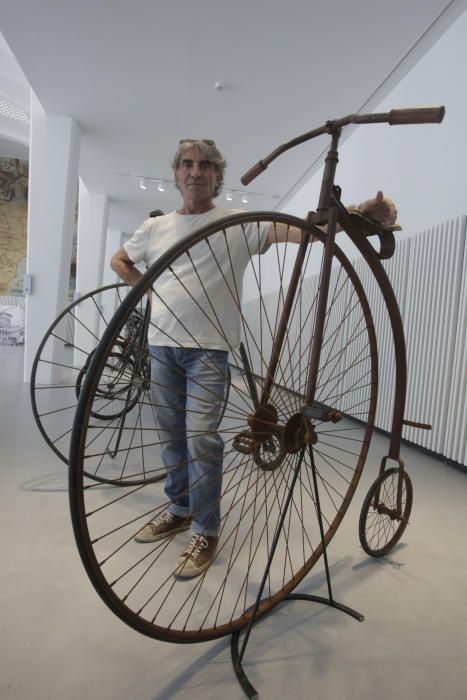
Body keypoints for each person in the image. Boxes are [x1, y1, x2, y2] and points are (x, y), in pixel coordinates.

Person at [111, 139, 397, 579]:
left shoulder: (236, 224)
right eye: (187, 164)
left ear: (217, 177)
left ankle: (205, 530)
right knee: (170, 437)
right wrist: (147, 293)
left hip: (209, 349)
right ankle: (180, 508)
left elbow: (303, 231)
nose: (195, 172)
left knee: (201, 437)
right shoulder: (156, 228)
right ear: (176, 174)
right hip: (162, 346)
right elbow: (120, 261)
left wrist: (354, 213)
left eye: (205, 165)